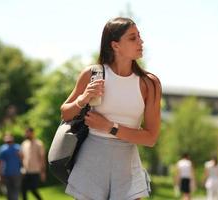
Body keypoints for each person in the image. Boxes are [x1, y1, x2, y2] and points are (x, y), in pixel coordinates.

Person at [60, 17, 161, 200]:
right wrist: (83, 99)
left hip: (126, 165)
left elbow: (151, 138)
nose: (141, 41)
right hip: (91, 161)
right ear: (115, 45)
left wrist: (110, 127)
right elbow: (65, 113)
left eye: (139, 36)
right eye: (132, 38)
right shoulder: (93, 74)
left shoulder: (150, 83)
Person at [21, 127, 46, 200]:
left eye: (28, 132)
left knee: (33, 189)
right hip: (25, 171)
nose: (26, 134)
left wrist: (43, 172)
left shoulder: (39, 143)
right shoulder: (24, 144)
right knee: (23, 189)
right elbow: (22, 157)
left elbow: (42, 158)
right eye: (26, 133)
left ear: (32, 133)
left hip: (35, 170)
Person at [0, 133, 22, 200]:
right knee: (8, 192)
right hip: (6, 174)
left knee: (16, 191)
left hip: (16, 173)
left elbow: (23, 159)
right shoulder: (2, 149)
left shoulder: (18, 148)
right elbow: (0, 163)